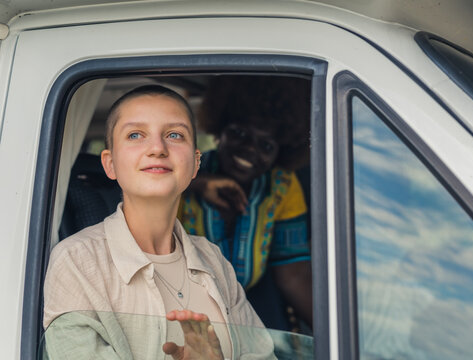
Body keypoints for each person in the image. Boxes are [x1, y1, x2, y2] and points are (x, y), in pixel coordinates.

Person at [43, 85, 274, 360]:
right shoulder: (77, 262)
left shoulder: (213, 260)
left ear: (196, 163)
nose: (157, 148)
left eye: (175, 135)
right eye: (135, 135)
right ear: (110, 164)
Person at [178, 76, 313, 329]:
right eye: (239, 133)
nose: (249, 149)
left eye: (266, 144)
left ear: (281, 151)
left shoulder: (282, 186)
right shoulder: (182, 173)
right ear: (219, 130)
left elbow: (293, 274)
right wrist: (196, 182)